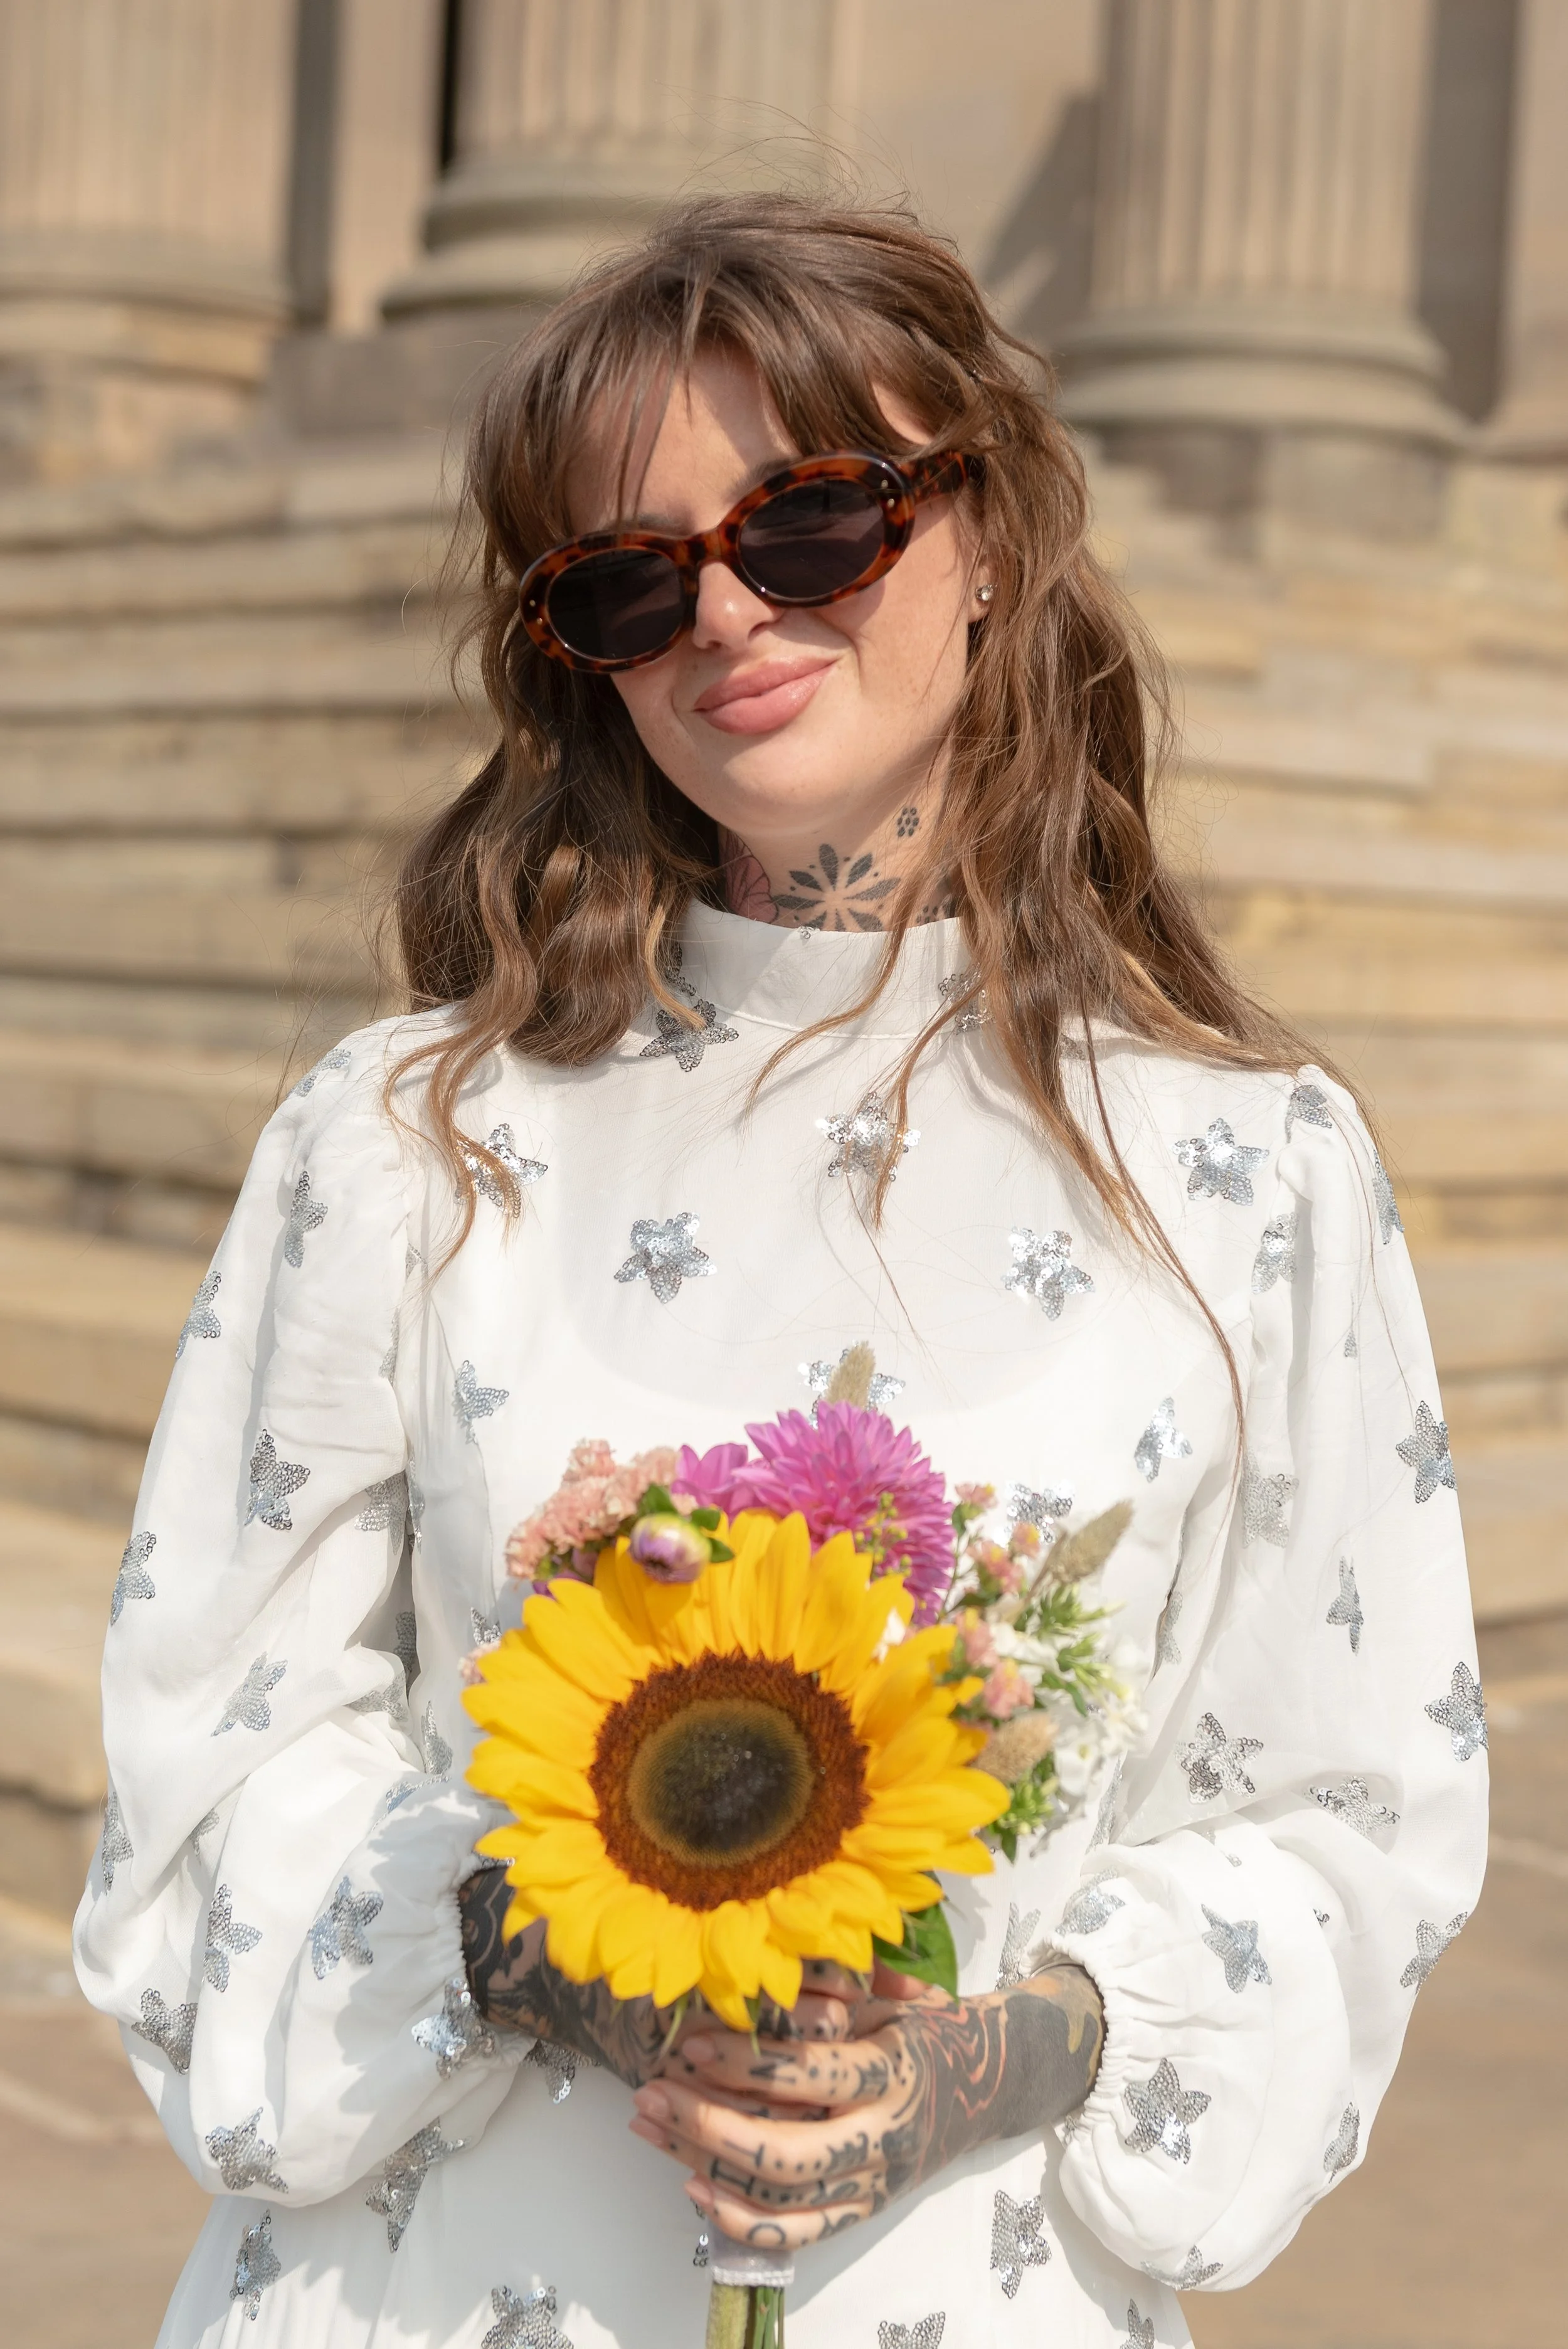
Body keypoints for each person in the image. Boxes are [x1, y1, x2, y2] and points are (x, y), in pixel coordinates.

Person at [75, 193, 1486, 2349]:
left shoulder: (1247, 1168)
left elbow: (1342, 1816)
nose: (725, 610)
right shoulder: (401, 1142)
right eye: (626, 577)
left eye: (814, 519)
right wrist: (583, 1964)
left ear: (990, 530)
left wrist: (972, 2061)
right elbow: (215, 1774)